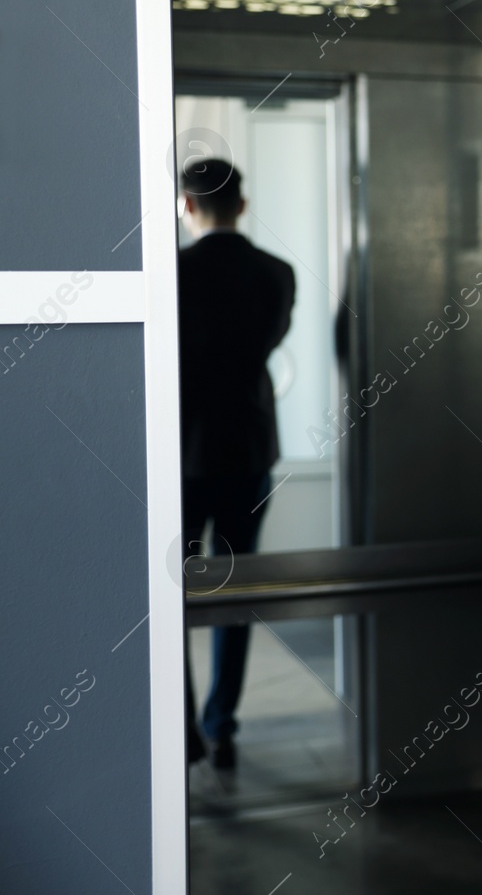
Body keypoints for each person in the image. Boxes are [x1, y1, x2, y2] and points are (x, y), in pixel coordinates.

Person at [176, 156, 295, 770]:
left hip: (180, 455)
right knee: (234, 589)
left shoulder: (171, 273)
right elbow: (261, 346)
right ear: (242, 206)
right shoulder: (277, 273)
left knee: (171, 595)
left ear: (187, 206)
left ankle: (183, 733)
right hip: (246, 449)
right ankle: (220, 723)